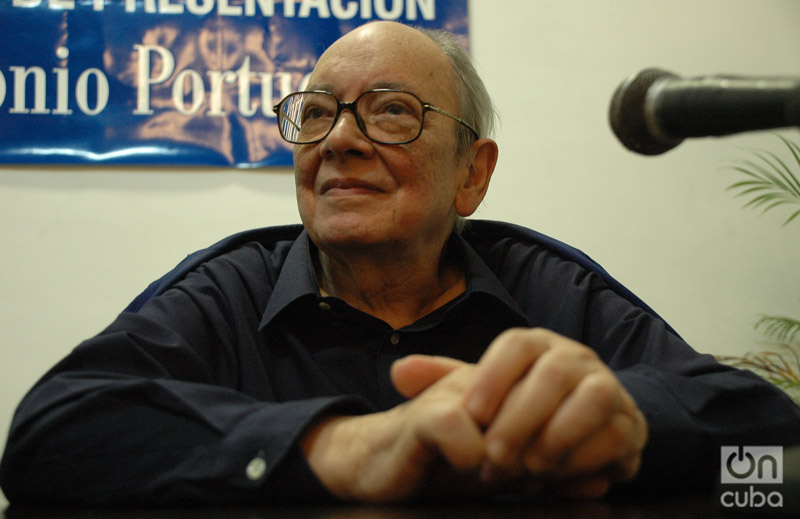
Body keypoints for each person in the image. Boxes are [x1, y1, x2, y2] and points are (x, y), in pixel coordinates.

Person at [1, 21, 799, 505]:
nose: (340, 139)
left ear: (472, 174)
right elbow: (48, 436)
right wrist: (347, 447)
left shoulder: (549, 286)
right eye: (316, 115)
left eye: (390, 111)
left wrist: (630, 426)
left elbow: (771, 450)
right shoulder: (224, 291)